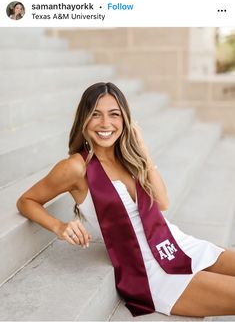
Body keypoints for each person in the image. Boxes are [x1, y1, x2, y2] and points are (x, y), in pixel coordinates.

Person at [17, 82, 235, 318]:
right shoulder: (75, 168)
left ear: (125, 120)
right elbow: (26, 200)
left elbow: (162, 202)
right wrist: (59, 226)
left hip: (175, 244)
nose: (105, 124)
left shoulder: (127, 158)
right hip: (148, 269)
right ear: (84, 119)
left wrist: (142, 150)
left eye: (114, 115)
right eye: (95, 115)